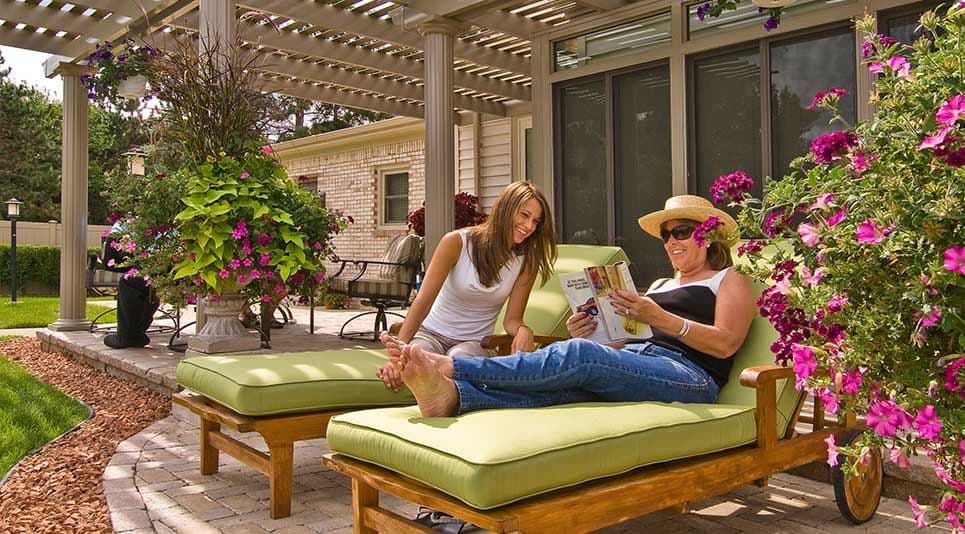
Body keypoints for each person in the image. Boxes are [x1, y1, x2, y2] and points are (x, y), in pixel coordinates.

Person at [387, 195, 757, 417]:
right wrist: (592, 332)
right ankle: (453, 397)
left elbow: (726, 343)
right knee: (562, 383)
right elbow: (625, 344)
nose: (671, 241)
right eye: (666, 234)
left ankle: (450, 366)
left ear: (707, 237)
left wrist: (658, 316)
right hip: (641, 361)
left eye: (681, 232)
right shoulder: (661, 285)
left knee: (578, 356)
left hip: (690, 376)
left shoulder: (727, 279)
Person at [376, 181, 557, 392]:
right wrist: (399, 351)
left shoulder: (526, 261)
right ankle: (427, 376)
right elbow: (423, 300)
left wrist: (524, 330)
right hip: (431, 333)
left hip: (474, 343)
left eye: (536, 221)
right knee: (417, 354)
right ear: (506, 210)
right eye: (524, 215)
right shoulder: (457, 243)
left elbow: (512, 320)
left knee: (458, 359)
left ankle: (435, 386)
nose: (529, 227)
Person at [102, 221, 161, 349]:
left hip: (159, 264)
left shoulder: (128, 223)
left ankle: (128, 337)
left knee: (129, 282)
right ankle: (134, 335)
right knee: (135, 281)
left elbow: (109, 259)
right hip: (151, 263)